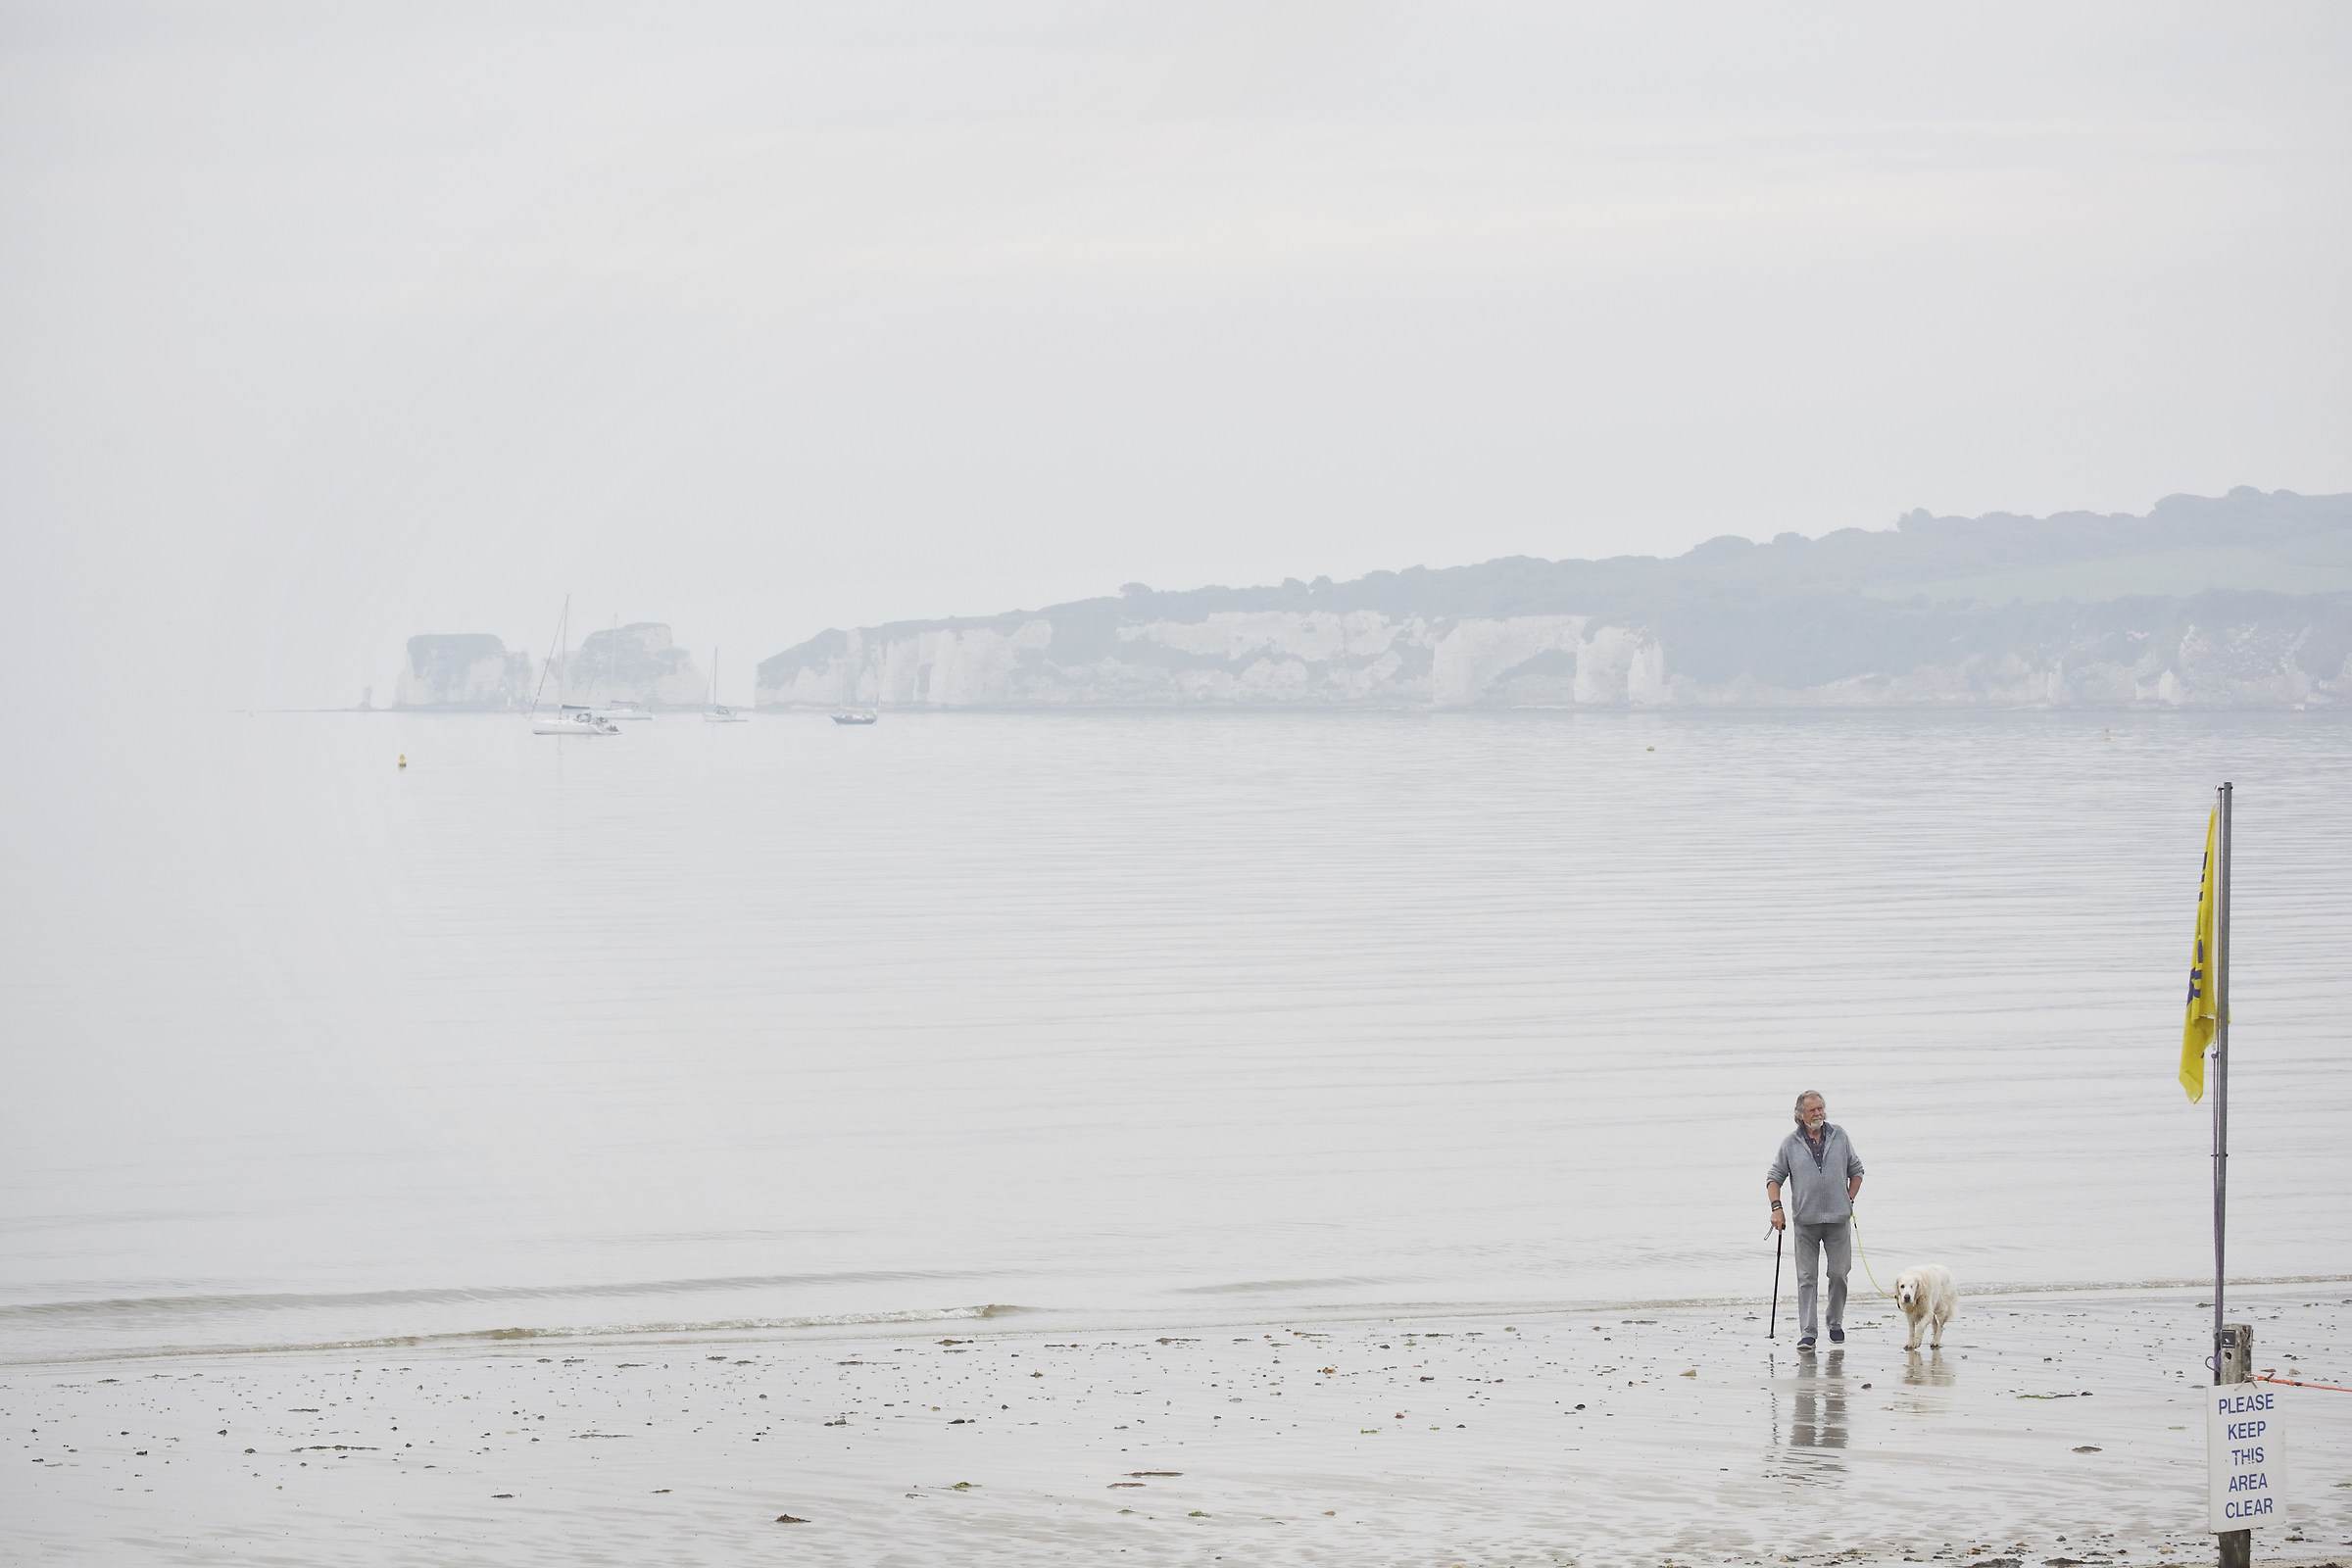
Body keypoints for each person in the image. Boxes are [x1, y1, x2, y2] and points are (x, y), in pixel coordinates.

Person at [1765, 1090, 1864, 1351]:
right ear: (1800, 1115)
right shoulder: (1790, 1144)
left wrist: (1849, 1200)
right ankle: (1808, 1333)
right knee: (1807, 1278)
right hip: (1805, 1222)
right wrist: (1777, 1208)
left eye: (1821, 1108)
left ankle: (1835, 1323)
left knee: (1839, 1273)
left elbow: (1857, 1171)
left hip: (1838, 1220)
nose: (1818, 1113)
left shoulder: (1839, 1136)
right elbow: (1774, 1178)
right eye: (1813, 1110)